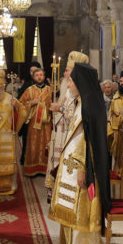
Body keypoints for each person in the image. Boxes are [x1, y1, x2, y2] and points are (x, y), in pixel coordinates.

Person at [48, 62, 111, 244]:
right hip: (73, 161)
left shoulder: (91, 104)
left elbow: (90, 141)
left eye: (72, 82)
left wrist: (84, 168)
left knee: (81, 203)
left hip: (82, 164)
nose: (68, 86)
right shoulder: (83, 101)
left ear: (81, 82)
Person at [46, 51, 89, 193]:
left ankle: (65, 189)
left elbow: (76, 116)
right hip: (61, 130)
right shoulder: (68, 89)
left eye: (67, 71)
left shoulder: (81, 92)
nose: (64, 74)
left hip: (72, 135)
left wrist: (60, 108)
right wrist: (58, 108)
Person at [18, 65, 54, 177]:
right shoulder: (29, 90)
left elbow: (55, 103)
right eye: (37, 75)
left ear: (44, 77)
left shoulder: (50, 90)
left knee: (46, 143)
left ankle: (45, 168)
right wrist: (32, 102)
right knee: (33, 144)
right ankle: (32, 168)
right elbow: (20, 104)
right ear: (33, 77)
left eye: (41, 75)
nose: (39, 77)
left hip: (46, 123)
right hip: (33, 123)